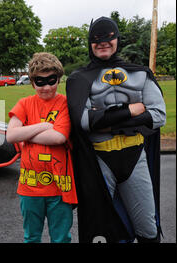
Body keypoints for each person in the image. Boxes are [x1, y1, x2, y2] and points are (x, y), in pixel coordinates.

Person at [66, 17, 166, 243]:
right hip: (99, 160)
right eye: (96, 38)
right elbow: (81, 121)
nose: (103, 42)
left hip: (134, 156)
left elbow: (158, 116)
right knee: (99, 232)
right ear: (90, 43)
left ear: (117, 39)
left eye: (108, 37)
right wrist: (131, 111)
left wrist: (103, 118)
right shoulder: (79, 79)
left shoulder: (140, 73)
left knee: (148, 229)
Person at [7, 52, 77, 243]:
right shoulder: (25, 103)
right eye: (40, 81)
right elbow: (11, 134)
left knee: (61, 238)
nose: (46, 87)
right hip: (30, 187)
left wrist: (27, 133)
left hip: (60, 187)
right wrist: (43, 126)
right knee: (31, 237)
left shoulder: (64, 103)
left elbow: (58, 137)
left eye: (51, 80)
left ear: (59, 79)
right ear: (32, 82)